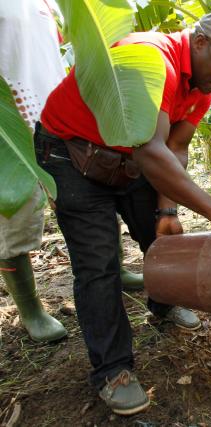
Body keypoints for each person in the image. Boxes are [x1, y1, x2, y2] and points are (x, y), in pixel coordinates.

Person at [35, 12, 211, 414]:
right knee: (99, 265)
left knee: (157, 233)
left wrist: (168, 209)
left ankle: (164, 300)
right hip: (73, 153)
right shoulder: (151, 58)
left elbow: (174, 147)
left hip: (129, 157)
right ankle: (112, 371)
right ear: (201, 41)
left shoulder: (201, 89)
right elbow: (150, 150)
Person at [0, 0, 68, 343]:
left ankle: (114, 266)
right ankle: (31, 310)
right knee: (15, 216)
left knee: (82, 195)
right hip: (11, 122)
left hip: (56, 114)